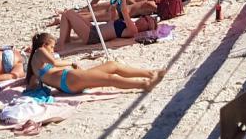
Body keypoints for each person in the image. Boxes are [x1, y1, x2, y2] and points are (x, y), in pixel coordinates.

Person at [25, 33, 162, 94]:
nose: (53, 49)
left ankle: (150, 73)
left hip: (69, 79)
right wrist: (72, 62)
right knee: (110, 79)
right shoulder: (40, 51)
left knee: (112, 65)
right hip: (68, 79)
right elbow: (54, 62)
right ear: (44, 44)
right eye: (52, 47)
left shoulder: (35, 63)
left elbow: (33, 82)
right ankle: (144, 85)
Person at [55, 4, 158, 51]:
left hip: (93, 36)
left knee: (67, 14)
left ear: (146, 28)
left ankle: (62, 44)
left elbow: (124, 11)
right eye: (145, 16)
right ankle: (66, 40)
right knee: (71, 13)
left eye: (146, 20)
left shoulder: (133, 30)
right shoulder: (131, 25)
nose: (143, 17)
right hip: (94, 29)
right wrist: (113, 9)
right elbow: (112, 23)